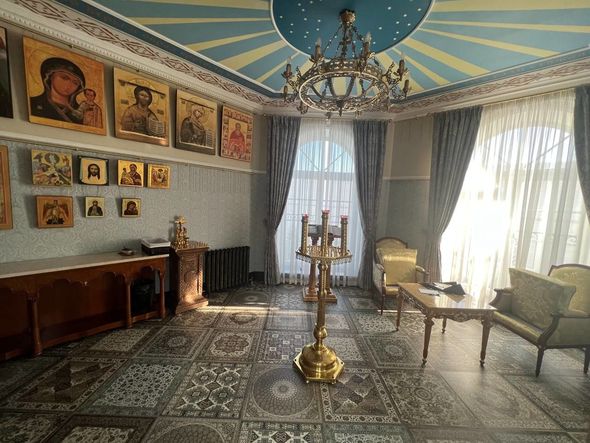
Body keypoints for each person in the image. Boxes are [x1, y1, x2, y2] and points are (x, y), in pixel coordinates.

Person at [29, 57, 85, 124]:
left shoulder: (82, 112)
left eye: (75, 83)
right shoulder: (33, 103)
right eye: (64, 78)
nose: (69, 84)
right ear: (51, 77)